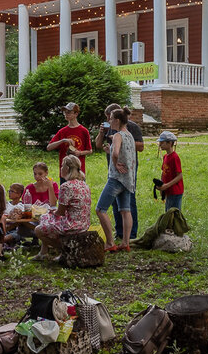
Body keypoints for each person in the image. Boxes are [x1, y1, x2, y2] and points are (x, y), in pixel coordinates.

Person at [96, 103, 144, 240]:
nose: (108, 120)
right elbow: (101, 146)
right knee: (124, 209)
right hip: (125, 176)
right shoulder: (125, 134)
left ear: (117, 118)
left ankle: (112, 241)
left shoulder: (121, 133)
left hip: (118, 176)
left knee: (101, 209)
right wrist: (108, 145)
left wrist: (116, 162)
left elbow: (118, 152)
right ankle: (125, 240)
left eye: (109, 117)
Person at [34, 156, 92, 261]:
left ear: (67, 168)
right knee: (44, 218)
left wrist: (52, 212)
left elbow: (60, 212)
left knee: (38, 229)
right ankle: (43, 252)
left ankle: (64, 250)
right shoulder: (84, 184)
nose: (60, 168)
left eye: (62, 166)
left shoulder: (66, 186)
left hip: (71, 226)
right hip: (84, 223)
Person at [47, 102, 92, 183]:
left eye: (69, 112)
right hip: (65, 171)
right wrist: (63, 140)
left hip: (78, 172)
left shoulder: (83, 131)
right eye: (65, 112)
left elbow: (89, 150)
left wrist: (80, 153)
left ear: (76, 114)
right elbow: (49, 147)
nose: (66, 114)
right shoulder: (62, 131)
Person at [156, 131, 185, 213]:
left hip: (175, 192)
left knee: (174, 215)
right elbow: (163, 172)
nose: (160, 144)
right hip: (168, 191)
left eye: (162, 142)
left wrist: (166, 186)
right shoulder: (165, 157)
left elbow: (179, 176)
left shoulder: (175, 157)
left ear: (169, 143)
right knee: (168, 213)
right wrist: (162, 187)